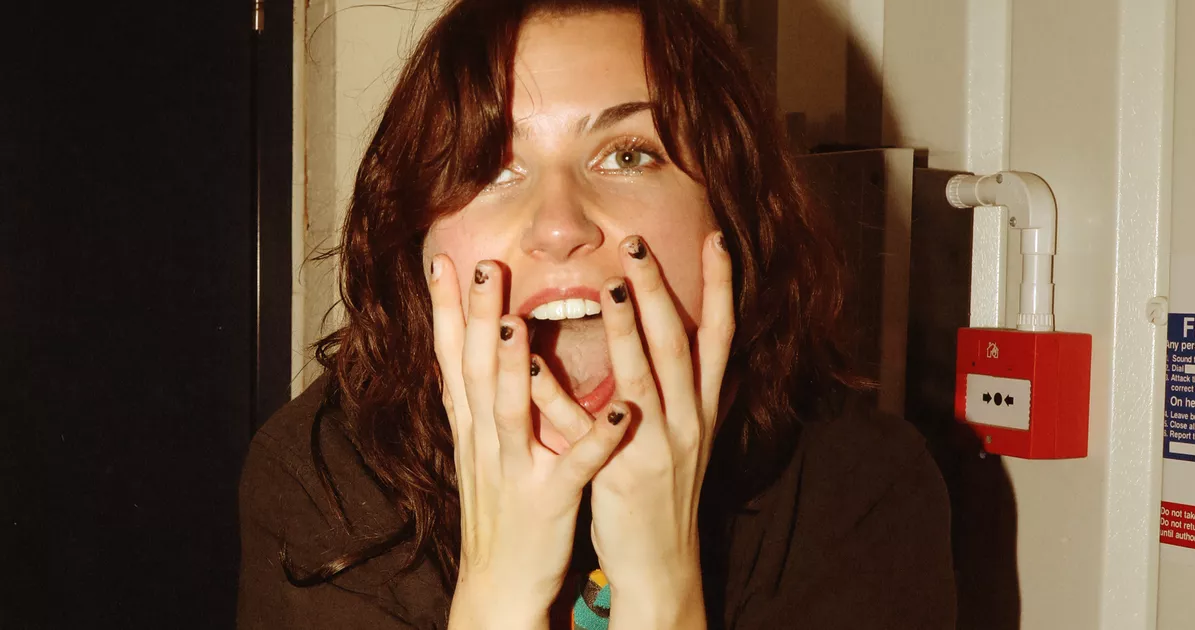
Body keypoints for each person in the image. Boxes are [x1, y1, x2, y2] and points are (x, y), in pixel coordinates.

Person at [237, 0, 956, 628]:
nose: (559, 225)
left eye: (628, 156)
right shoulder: (321, 481)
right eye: (491, 167)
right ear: (418, 242)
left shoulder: (858, 488)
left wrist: (662, 592)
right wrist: (498, 594)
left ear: (728, 210)